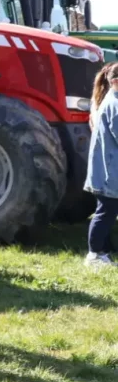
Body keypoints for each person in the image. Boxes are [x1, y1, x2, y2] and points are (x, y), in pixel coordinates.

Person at [83, 62, 118, 267]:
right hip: (108, 171)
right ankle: (94, 255)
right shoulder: (114, 105)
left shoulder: (110, 100)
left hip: (107, 169)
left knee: (107, 211)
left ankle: (103, 253)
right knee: (105, 212)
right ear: (115, 82)